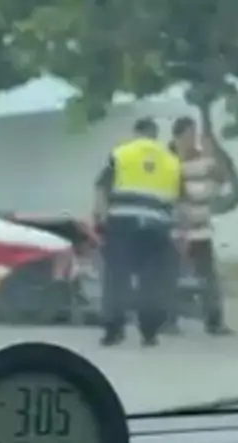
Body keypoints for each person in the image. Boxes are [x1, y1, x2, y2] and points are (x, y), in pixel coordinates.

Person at [93, 117, 182, 347]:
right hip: (157, 227)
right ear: (155, 134)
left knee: (116, 277)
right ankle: (149, 332)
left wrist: (100, 218)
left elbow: (101, 187)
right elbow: (178, 199)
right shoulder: (171, 160)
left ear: (137, 132)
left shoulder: (123, 154)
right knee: (151, 281)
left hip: (122, 223)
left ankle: (113, 331)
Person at [167, 116, 234, 336]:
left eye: (194, 135)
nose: (192, 140)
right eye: (188, 135)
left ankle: (214, 322)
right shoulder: (168, 160)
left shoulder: (201, 159)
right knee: (171, 276)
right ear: (178, 136)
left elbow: (222, 178)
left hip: (201, 230)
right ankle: (168, 320)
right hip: (176, 231)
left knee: (208, 278)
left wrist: (212, 153)